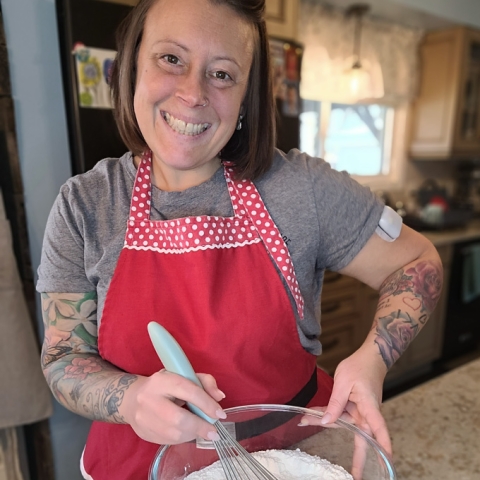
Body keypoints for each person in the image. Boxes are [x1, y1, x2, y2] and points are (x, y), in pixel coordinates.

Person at [37, 0, 443, 478]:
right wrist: (128, 398)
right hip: (134, 464)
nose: (193, 94)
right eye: (171, 59)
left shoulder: (302, 189)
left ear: (248, 93)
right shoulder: (86, 205)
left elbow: (416, 260)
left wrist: (372, 359)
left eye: (223, 74)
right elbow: (64, 357)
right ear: (132, 65)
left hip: (292, 458)